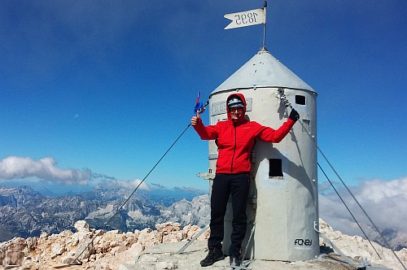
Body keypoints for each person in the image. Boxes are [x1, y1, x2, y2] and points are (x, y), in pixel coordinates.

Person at [191, 92, 299, 268]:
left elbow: (275, 137)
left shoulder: (252, 127)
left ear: (243, 109)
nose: (236, 112)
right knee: (217, 214)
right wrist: (198, 124)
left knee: (239, 216)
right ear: (228, 110)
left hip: (241, 177)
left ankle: (235, 253)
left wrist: (290, 121)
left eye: (239, 109)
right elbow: (205, 134)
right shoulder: (221, 126)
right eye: (232, 109)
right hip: (222, 176)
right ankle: (215, 251)